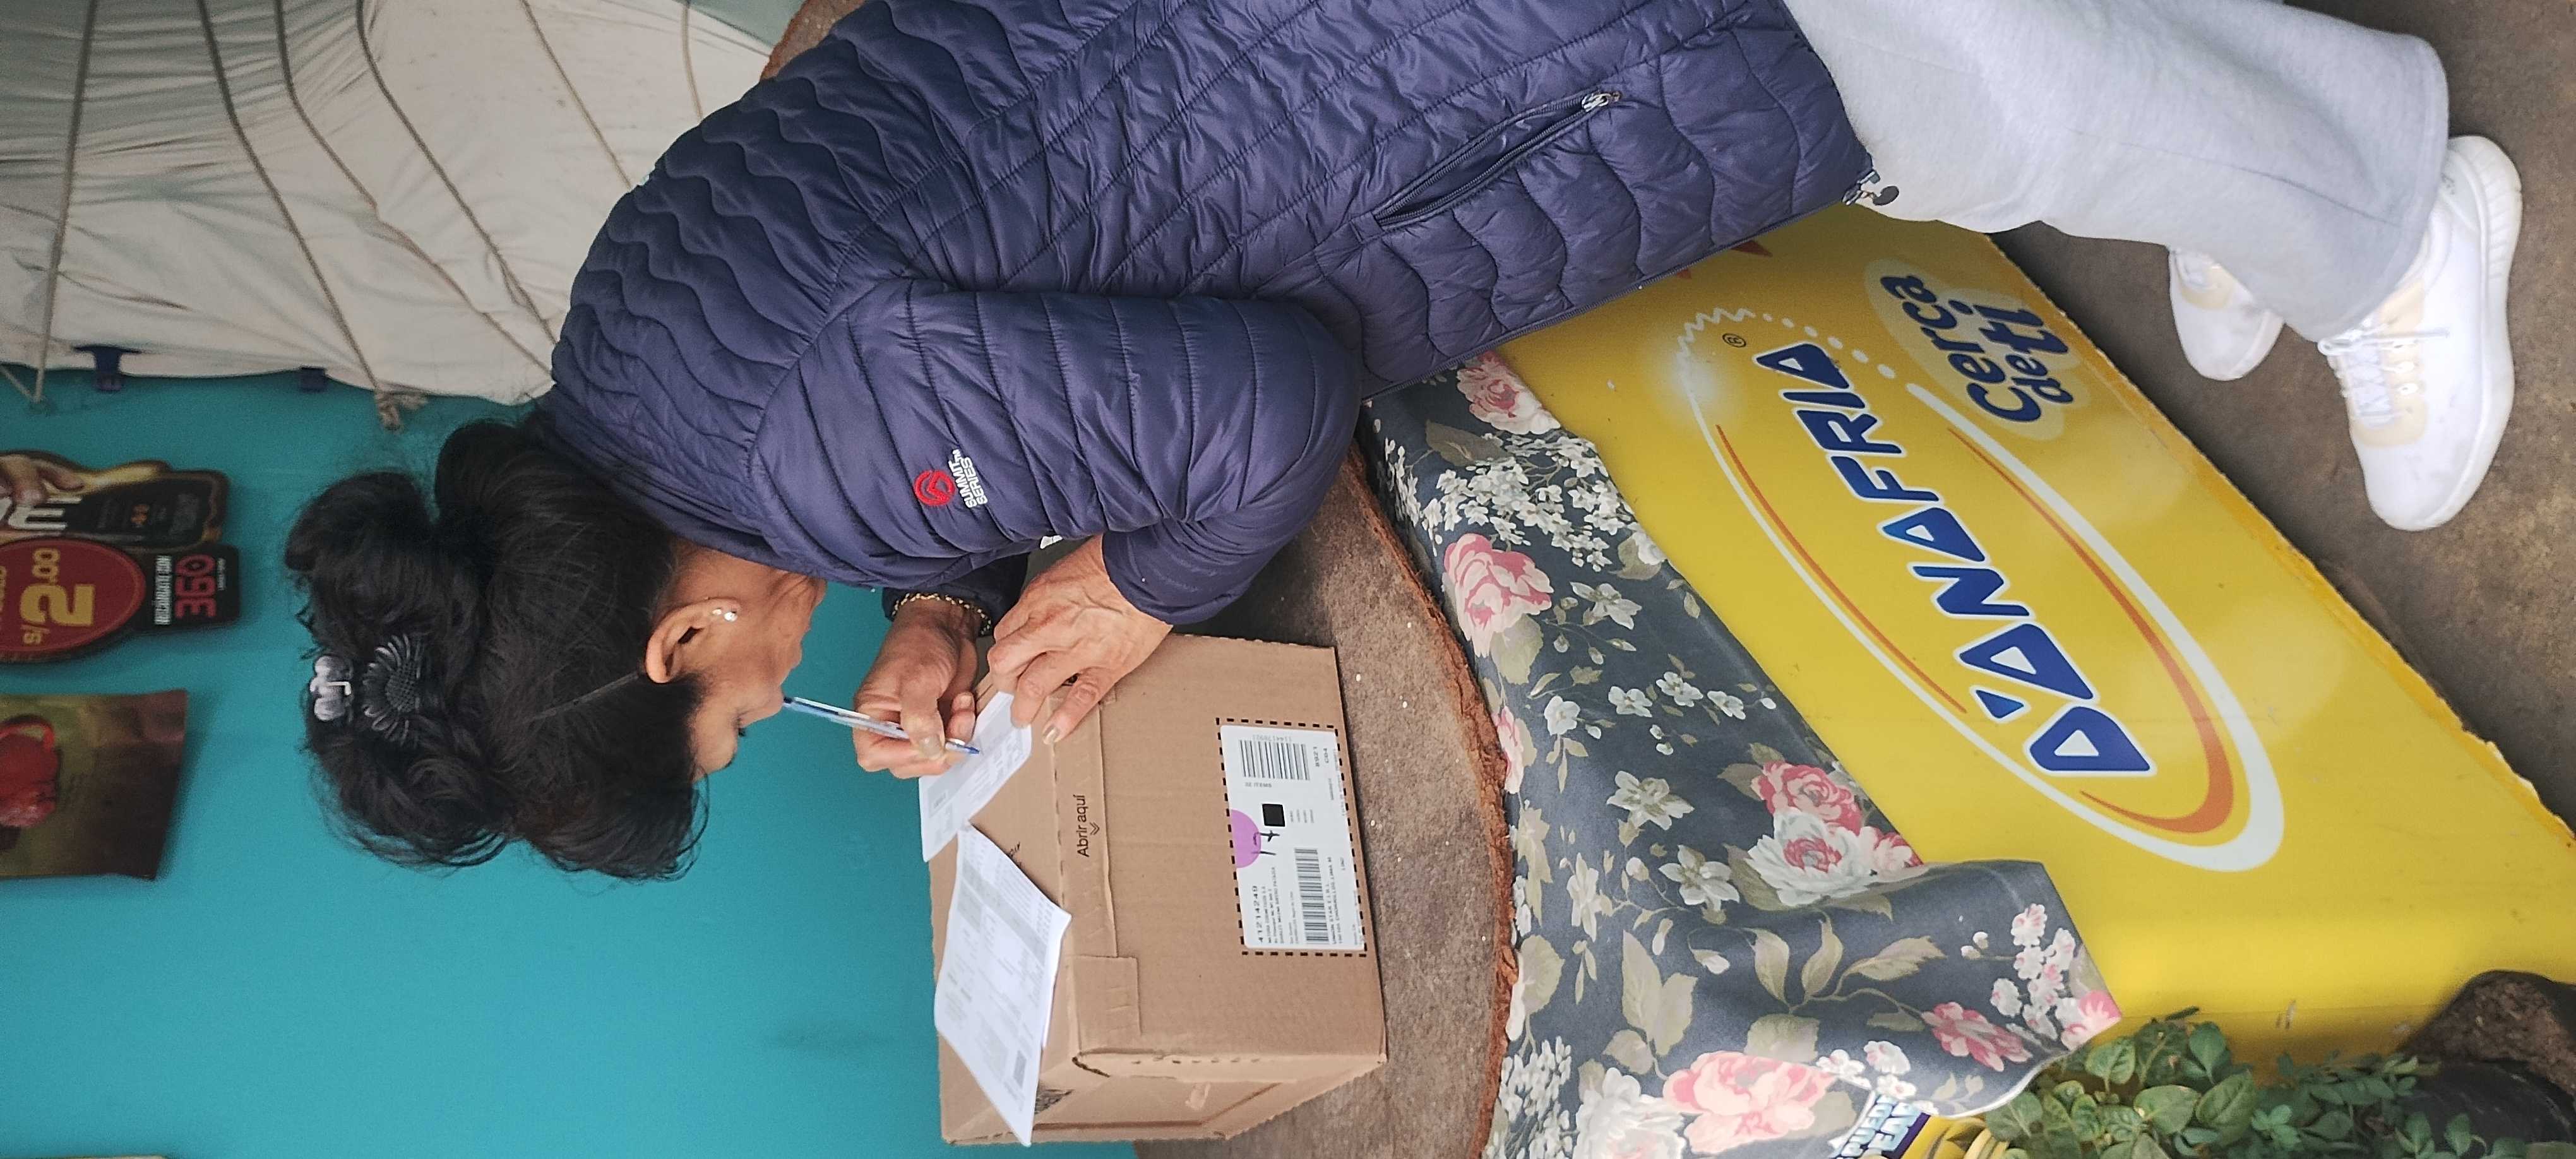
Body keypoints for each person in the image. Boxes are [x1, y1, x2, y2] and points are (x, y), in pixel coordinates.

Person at [285, 0, 2515, 878]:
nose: (768, 707)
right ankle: (2262, 164)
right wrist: (945, 587)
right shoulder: (633, 326)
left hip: (1463, 69)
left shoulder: (813, 443)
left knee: (1940, 86)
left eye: (725, 718)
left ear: (677, 641)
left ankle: (2391, 209)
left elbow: (1259, 402)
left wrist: (1131, 587)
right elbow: (916, 272)